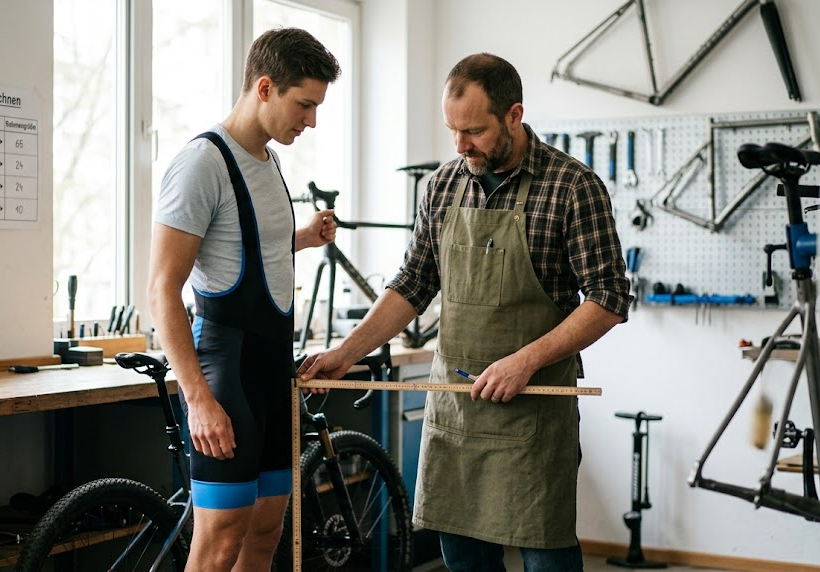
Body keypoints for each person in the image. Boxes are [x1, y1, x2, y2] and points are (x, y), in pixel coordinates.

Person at [298, 53, 630, 571]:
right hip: (456, 412)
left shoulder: (572, 186)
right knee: (464, 559)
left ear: (514, 116)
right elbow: (413, 285)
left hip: (533, 416)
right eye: (452, 130)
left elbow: (608, 298)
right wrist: (346, 353)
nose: (460, 146)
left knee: (546, 557)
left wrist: (524, 361)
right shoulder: (443, 185)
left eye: (474, 131)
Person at [148, 28, 340, 571]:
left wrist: (301, 237)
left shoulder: (268, 160)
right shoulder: (202, 164)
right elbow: (161, 289)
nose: (311, 121)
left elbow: (242, 245)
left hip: (273, 373)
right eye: (304, 105)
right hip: (226, 376)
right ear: (265, 88)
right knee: (219, 542)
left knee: (266, 531)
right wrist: (199, 400)